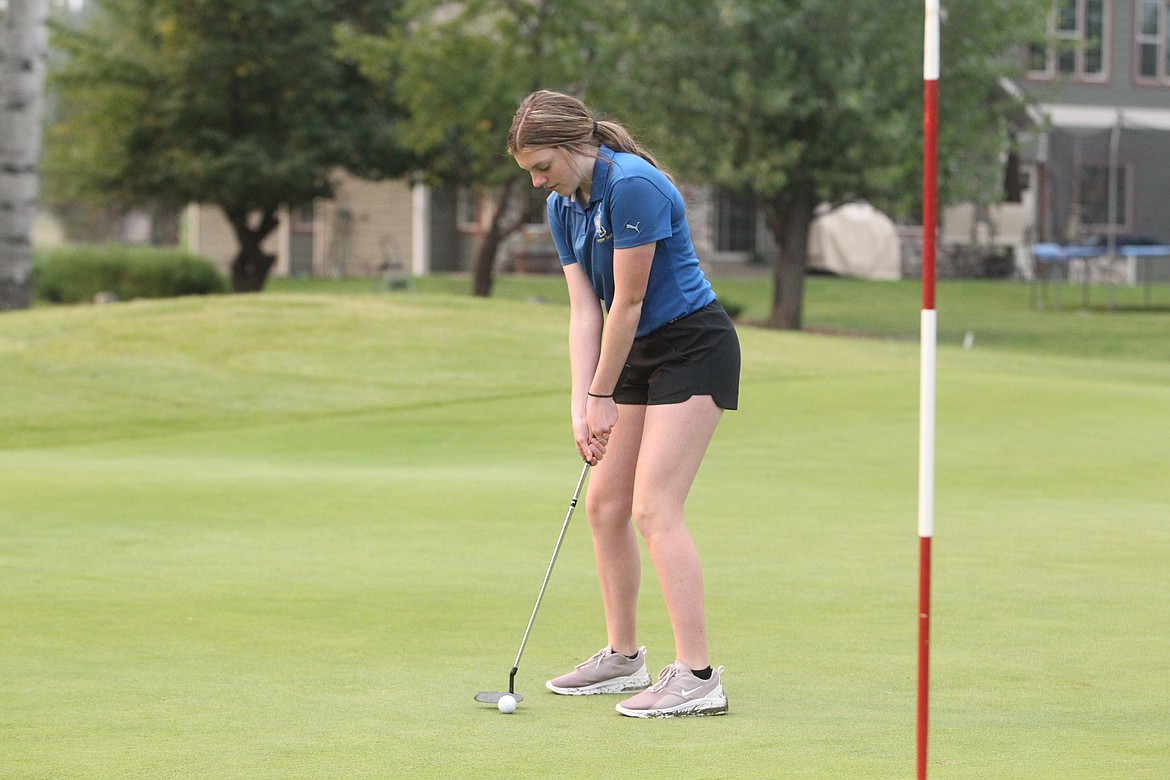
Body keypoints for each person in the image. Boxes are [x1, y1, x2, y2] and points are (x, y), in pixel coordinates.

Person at [507, 90, 740, 718]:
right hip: (629, 348)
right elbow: (588, 311)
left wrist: (604, 393)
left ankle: (698, 677)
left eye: (542, 165)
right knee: (605, 505)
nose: (536, 182)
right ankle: (622, 655)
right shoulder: (564, 203)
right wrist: (581, 404)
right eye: (528, 171)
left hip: (692, 343)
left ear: (574, 145)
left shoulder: (634, 185)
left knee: (654, 508)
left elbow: (630, 303)